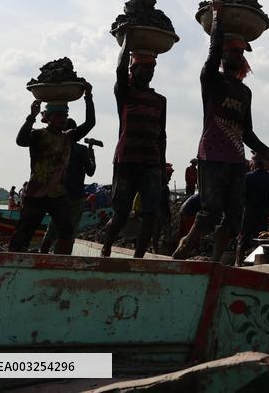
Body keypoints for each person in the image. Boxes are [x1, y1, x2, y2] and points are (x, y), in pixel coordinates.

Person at [173, 0, 269, 262]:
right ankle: (187, 244)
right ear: (223, 54)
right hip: (212, 155)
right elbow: (211, 52)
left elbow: (248, 132)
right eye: (233, 51)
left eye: (241, 52)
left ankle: (216, 261)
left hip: (235, 159)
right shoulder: (211, 80)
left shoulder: (245, 92)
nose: (238, 56)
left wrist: (266, 152)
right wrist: (218, 18)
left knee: (234, 220)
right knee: (209, 215)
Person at [101, 42, 167, 259]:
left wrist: (162, 165)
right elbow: (119, 70)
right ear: (134, 69)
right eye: (145, 67)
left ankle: (139, 257)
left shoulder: (160, 101)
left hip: (151, 162)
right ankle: (106, 247)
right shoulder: (125, 93)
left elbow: (161, 135)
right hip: (127, 160)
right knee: (121, 213)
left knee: (151, 213)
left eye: (152, 68)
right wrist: (127, 42)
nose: (149, 72)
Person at [11, 86, 96, 255]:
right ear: (48, 118)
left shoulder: (68, 137)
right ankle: (15, 258)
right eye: (58, 116)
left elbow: (90, 123)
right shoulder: (38, 135)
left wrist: (88, 97)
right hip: (36, 193)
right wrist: (31, 116)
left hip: (58, 193)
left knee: (66, 230)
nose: (63, 119)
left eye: (65, 116)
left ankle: (60, 261)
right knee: (24, 230)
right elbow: (20, 140)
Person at [39, 119, 96, 253]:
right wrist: (92, 156)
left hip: (57, 194)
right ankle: (63, 259)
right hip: (75, 196)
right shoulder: (81, 150)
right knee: (71, 230)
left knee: (52, 228)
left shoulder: (55, 147)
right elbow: (91, 171)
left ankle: (43, 254)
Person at [235, 155, 269, 266]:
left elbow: (241, 196)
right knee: (261, 238)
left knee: (243, 238)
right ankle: (257, 263)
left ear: (255, 164)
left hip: (249, 211)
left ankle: (238, 263)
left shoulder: (247, 177)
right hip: (263, 212)